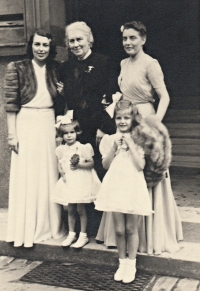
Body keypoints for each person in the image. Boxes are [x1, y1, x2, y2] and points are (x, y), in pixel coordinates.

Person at [96, 21, 183, 255]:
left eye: (133, 38)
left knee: (148, 172)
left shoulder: (150, 64)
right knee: (123, 173)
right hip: (125, 119)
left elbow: (164, 96)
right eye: (125, 39)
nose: (128, 43)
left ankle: (150, 237)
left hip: (145, 120)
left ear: (143, 39)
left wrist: (155, 124)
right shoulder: (123, 63)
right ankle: (122, 239)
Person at [4, 30, 65, 248]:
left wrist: (61, 93)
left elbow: (61, 102)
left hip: (48, 122)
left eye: (45, 45)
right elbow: (10, 104)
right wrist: (12, 134)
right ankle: (27, 229)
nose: (41, 49)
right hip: (26, 122)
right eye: (37, 44)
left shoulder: (56, 69)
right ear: (31, 45)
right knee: (28, 175)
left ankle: (49, 226)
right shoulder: (17, 68)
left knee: (48, 173)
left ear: (51, 48)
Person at [61, 21, 119, 235]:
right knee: (79, 172)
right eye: (71, 41)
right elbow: (66, 100)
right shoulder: (66, 67)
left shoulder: (104, 62)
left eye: (79, 39)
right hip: (77, 127)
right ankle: (83, 228)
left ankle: (101, 228)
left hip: (99, 125)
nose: (76, 44)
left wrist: (105, 127)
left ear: (89, 39)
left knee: (98, 169)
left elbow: (112, 96)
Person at [95, 100, 152, 283]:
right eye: (119, 118)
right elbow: (104, 164)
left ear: (132, 119)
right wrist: (114, 147)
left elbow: (140, 165)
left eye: (126, 118)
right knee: (119, 230)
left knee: (130, 228)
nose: (122, 121)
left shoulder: (139, 139)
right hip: (116, 185)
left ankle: (132, 264)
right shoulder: (110, 139)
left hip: (132, 185)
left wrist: (131, 145)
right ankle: (122, 263)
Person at [51, 115, 101, 248]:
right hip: (69, 182)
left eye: (72, 132)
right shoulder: (61, 149)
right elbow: (60, 163)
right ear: (61, 136)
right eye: (65, 134)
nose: (69, 136)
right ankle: (71, 234)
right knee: (70, 209)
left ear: (77, 133)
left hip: (81, 181)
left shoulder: (83, 147)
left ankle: (83, 235)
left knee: (80, 209)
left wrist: (79, 166)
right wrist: (61, 171)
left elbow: (91, 164)